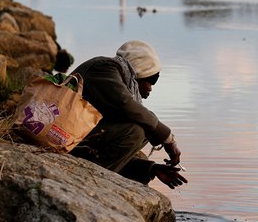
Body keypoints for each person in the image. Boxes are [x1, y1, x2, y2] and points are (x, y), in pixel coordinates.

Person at [69, 40, 187, 189]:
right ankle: (90, 183)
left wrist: (151, 169)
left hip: (75, 144)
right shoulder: (104, 68)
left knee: (144, 128)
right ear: (138, 73)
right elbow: (126, 105)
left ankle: (93, 178)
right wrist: (168, 139)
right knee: (139, 129)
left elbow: (106, 154)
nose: (150, 88)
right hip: (63, 139)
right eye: (151, 79)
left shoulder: (113, 84)